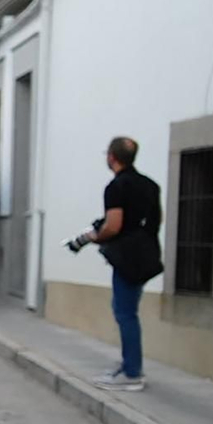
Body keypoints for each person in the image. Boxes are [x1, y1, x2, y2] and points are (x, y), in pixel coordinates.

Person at [67, 135, 162, 390]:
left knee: (125, 313)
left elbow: (114, 225)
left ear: (112, 157)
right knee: (127, 310)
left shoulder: (117, 187)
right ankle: (129, 366)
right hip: (146, 253)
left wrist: (91, 237)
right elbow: (155, 222)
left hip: (127, 256)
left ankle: (132, 372)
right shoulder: (150, 185)